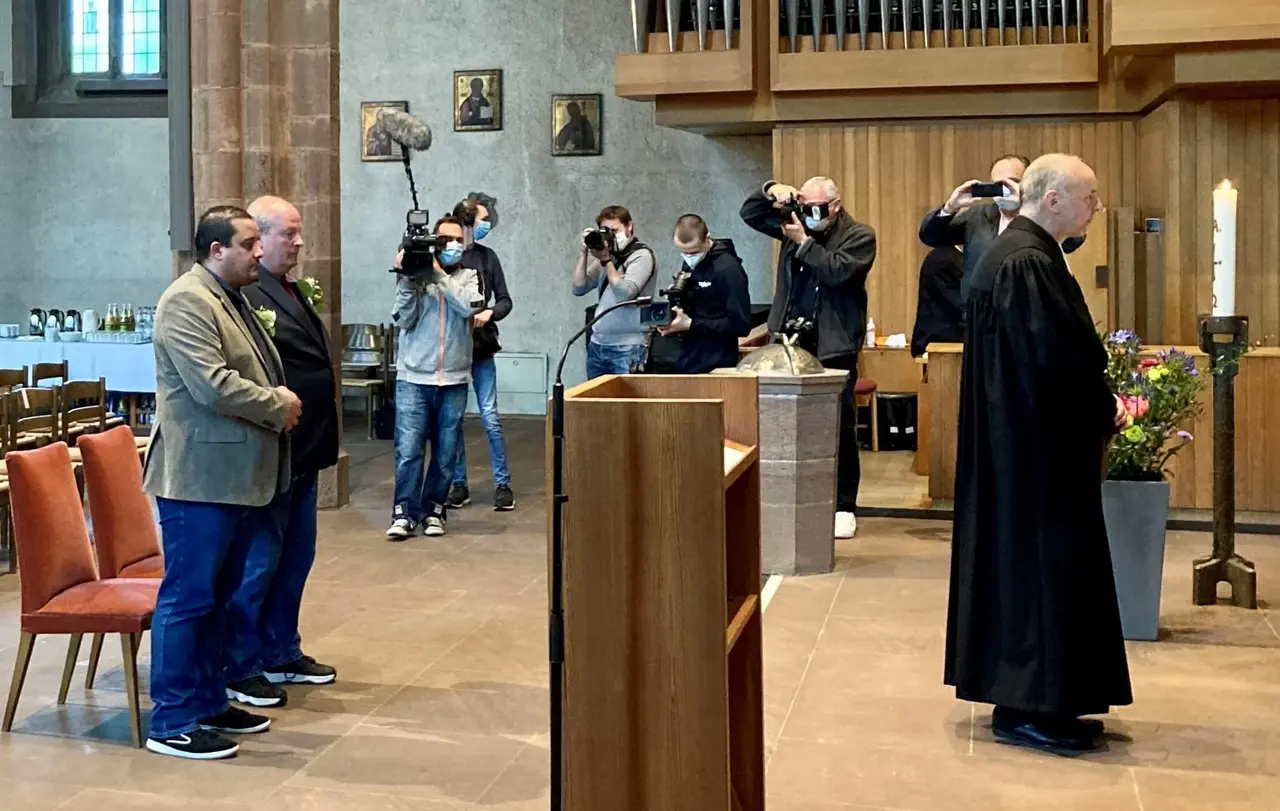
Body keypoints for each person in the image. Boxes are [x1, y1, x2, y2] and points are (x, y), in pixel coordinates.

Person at [943, 154, 1131, 753]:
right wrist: (1105, 408)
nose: (1095, 206)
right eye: (1089, 196)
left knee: (1034, 571)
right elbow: (1051, 363)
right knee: (1036, 571)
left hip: (1022, 448)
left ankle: (1046, 699)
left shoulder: (1024, 253)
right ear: (1052, 199)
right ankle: (1025, 705)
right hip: (1033, 455)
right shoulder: (1025, 261)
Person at [142, 205, 303, 760]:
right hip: (198, 480)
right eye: (249, 242)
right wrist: (275, 405)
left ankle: (208, 700)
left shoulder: (227, 295)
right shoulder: (187, 299)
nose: (260, 251)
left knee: (217, 598)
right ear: (216, 249)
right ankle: (172, 719)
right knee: (188, 600)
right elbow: (212, 386)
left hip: (233, 478)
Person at [219, 196, 338, 711]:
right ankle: (242, 663)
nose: (299, 242)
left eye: (299, 232)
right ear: (258, 240)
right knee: (259, 562)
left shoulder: (286, 287)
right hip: (273, 449)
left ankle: (282, 649)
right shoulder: (250, 295)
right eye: (288, 233)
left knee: (296, 556)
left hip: (305, 448)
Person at [740, 177, 876, 539]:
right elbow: (750, 213)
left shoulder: (859, 235)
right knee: (783, 421)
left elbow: (837, 271)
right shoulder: (792, 224)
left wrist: (803, 242)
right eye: (806, 207)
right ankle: (786, 495)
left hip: (833, 343)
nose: (810, 215)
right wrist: (773, 191)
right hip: (789, 339)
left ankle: (844, 504)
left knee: (839, 425)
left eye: (818, 209)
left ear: (835, 205)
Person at [387, 216, 482, 540]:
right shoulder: (417, 277)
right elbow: (402, 319)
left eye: (457, 239)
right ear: (433, 242)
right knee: (409, 449)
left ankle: (434, 510)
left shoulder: (469, 276)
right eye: (445, 240)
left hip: (453, 379)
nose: (452, 245)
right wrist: (407, 281)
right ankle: (403, 512)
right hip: (414, 377)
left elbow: (469, 307)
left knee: (445, 453)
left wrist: (439, 276)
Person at [919, 153, 1086, 302]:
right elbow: (931, 236)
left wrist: (1028, 206)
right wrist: (950, 206)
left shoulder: (1041, 216)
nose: (1004, 189)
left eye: (1012, 182)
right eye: (998, 184)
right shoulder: (977, 216)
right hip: (983, 312)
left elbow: (1073, 241)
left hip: (1028, 309)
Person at [446, 193, 515, 512]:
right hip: (453, 348)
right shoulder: (445, 258)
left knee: (490, 416)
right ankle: (459, 483)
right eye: (484, 219)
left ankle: (503, 483)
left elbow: (505, 300)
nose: (488, 224)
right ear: (468, 221)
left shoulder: (487, 258)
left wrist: (489, 313)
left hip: (482, 346)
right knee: (454, 419)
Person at [649, 214, 753, 374]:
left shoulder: (728, 269)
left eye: (694, 252)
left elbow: (741, 324)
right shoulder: (691, 265)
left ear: (707, 239)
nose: (689, 257)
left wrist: (691, 324)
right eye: (684, 253)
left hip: (715, 362)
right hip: (685, 356)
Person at [571, 205, 656, 379]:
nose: (611, 236)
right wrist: (584, 253)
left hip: (629, 347)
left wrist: (606, 261)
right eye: (606, 231)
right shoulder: (609, 256)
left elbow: (624, 294)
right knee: (597, 404)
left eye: (615, 230)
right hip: (598, 345)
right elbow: (579, 287)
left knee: (627, 405)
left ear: (629, 226)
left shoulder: (641, 255)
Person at [909, 245, 964, 358]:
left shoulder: (952, 257)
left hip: (949, 337)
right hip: (939, 339)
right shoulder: (943, 261)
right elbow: (958, 305)